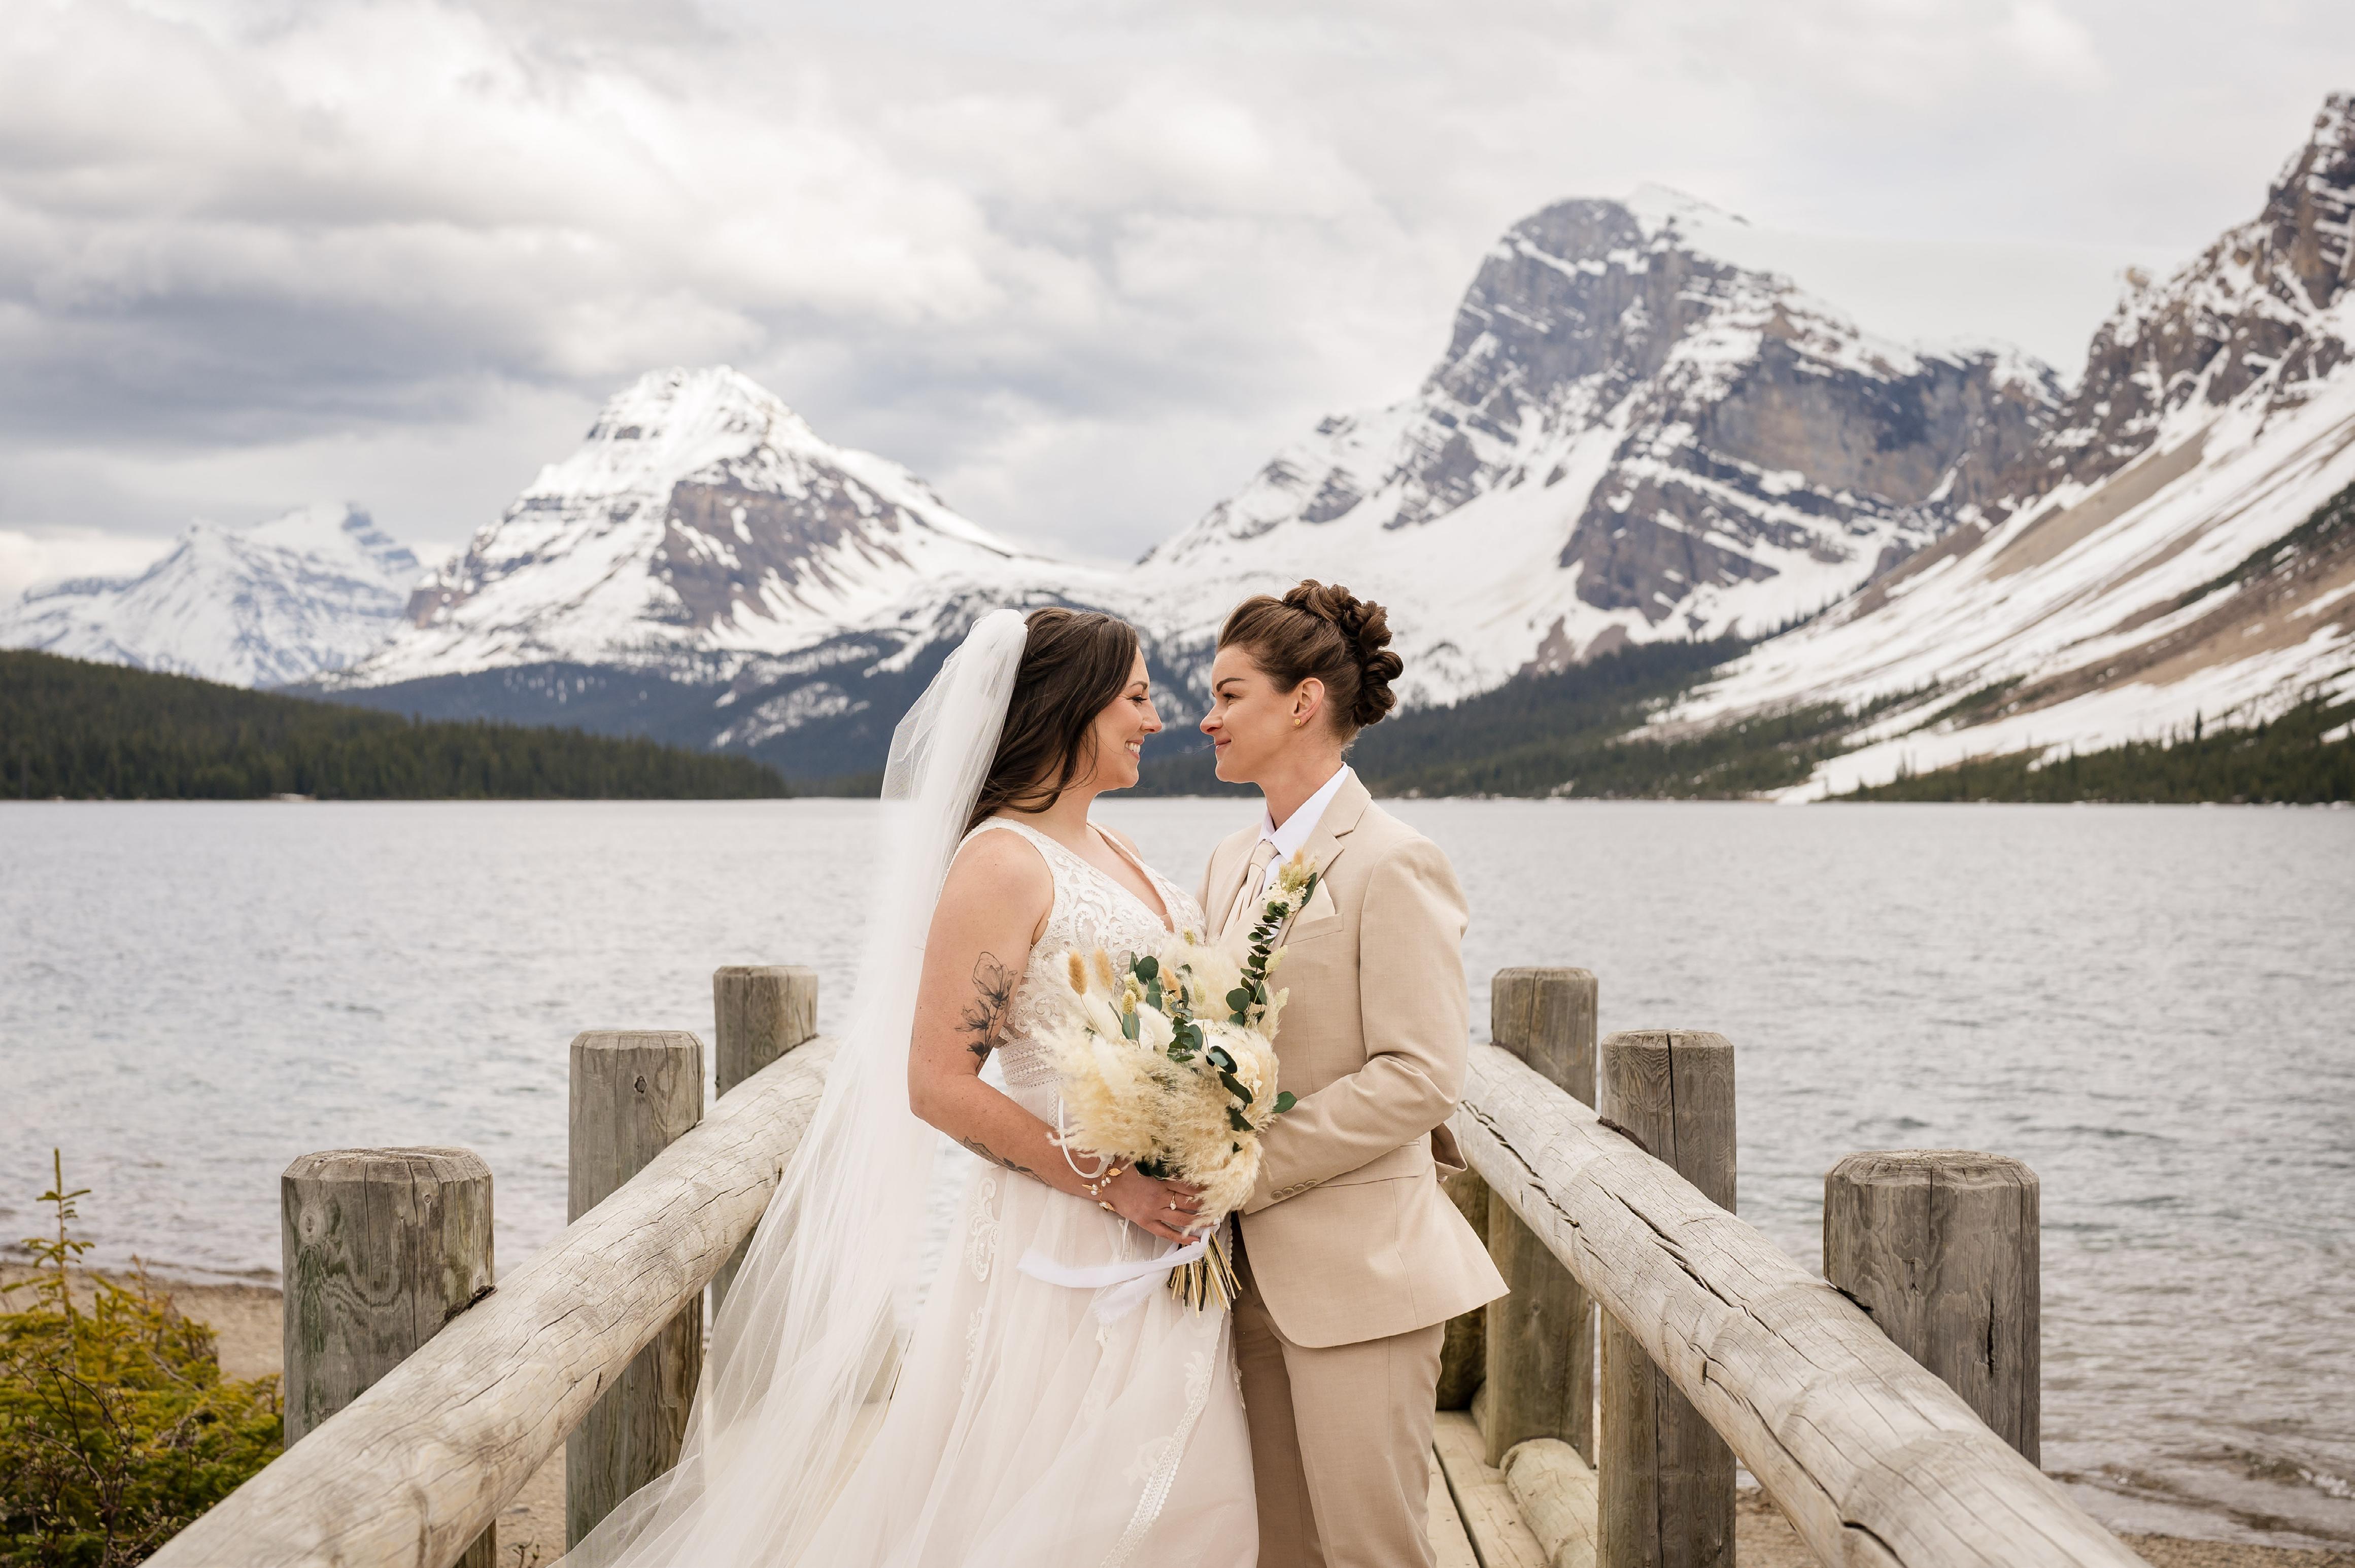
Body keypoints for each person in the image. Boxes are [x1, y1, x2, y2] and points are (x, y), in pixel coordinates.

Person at [560, 606, 1255, 1568]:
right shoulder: (1001, 862)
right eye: (1136, 697)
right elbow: (936, 1084)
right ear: (1073, 705)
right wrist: (1114, 1186)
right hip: (1066, 1231)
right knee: (1064, 1509)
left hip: (1167, 1233)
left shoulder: (1120, 848)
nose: (1155, 718)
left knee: (1179, 1497)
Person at [1195, 580, 1507, 1568]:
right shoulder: (1227, 861)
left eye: (1229, 694)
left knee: (1373, 1552)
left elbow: (1420, 1075)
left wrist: (1245, 1167)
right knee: (1276, 1551)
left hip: (1360, 1279)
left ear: (1303, 702)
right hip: (1236, 1278)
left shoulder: (1394, 860)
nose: (1206, 717)